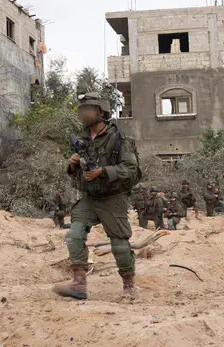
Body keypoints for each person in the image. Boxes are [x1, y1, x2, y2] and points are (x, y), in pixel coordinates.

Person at [52, 92, 140, 300]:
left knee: (119, 244)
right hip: (90, 197)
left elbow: (131, 170)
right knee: (74, 236)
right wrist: (72, 164)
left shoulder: (119, 139)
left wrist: (103, 172)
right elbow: (75, 171)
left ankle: (129, 286)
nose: (82, 114)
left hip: (113, 197)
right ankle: (79, 284)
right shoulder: (82, 139)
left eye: (87, 110)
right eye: (81, 110)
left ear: (101, 112)